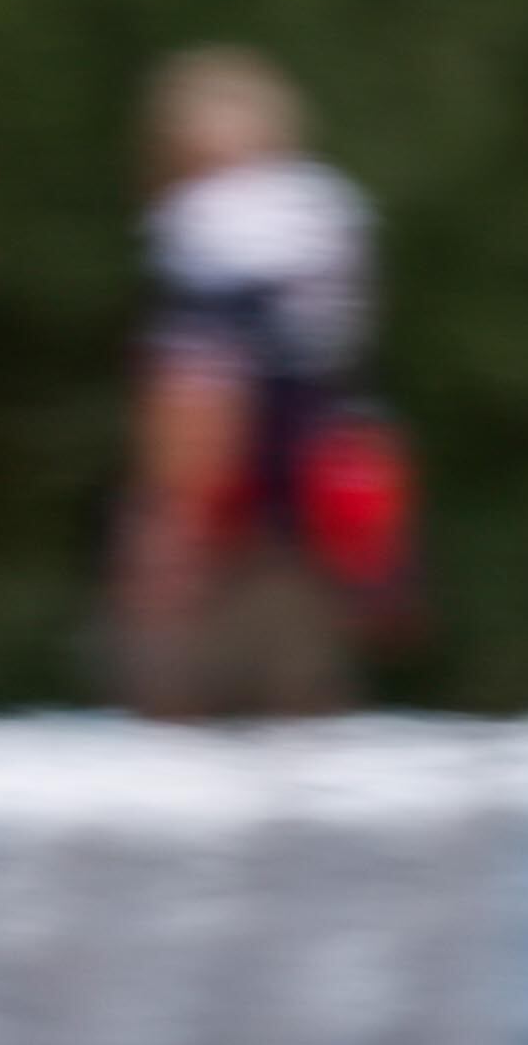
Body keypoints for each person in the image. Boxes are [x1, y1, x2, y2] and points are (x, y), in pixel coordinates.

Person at [102, 47, 405, 717]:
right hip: (322, 538)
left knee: (174, 774)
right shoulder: (331, 223)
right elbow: (352, 401)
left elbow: (200, 387)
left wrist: (166, 536)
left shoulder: (209, 224)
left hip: (225, 540)